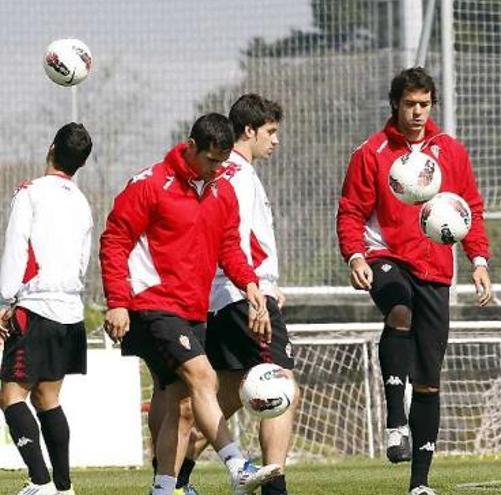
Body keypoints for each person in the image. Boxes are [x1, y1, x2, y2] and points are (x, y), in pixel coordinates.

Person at [99, 113, 280, 495]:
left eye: (223, 162)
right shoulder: (149, 184)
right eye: (211, 160)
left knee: (181, 406)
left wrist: (249, 283)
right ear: (191, 146)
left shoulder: (223, 190)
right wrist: (117, 301)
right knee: (205, 378)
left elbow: (229, 246)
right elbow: (114, 241)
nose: (217, 169)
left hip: (192, 309)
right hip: (152, 304)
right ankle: (238, 465)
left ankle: (164, 488)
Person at [336, 67, 492, 495]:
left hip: (436, 271)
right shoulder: (373, 152)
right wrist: (354, 254)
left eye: (424, 104)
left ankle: (419, 483)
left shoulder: (452, 152)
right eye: (410, 104)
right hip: (386, 258)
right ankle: (394, 420)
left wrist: (478, 260)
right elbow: (351, 210)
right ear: (395, 105)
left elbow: (468, 209)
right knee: (398, 309)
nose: (417, 112)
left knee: (428, 380)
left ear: (432, 105)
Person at [177, 94, 300, 495]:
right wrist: (257, 293)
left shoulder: (221, 173)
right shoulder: (239, 175)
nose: (275, 141)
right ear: (249, 130)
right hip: (242, 294)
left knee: (225, 399)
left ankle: (174, 480)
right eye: (270, 132)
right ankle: (274, 489)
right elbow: (236, 239)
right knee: (281, 384)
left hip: (221, 297)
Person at [0, 123, 93, 495]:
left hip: (36, 308)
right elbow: (84, 259)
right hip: (70, 310)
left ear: (51, 148)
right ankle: (64, 487)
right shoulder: (81, 201)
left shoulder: (31, 194)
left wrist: (5, 301)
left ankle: (40, 482)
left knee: (11, 395)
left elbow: (16, 248)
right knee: (48, 398)